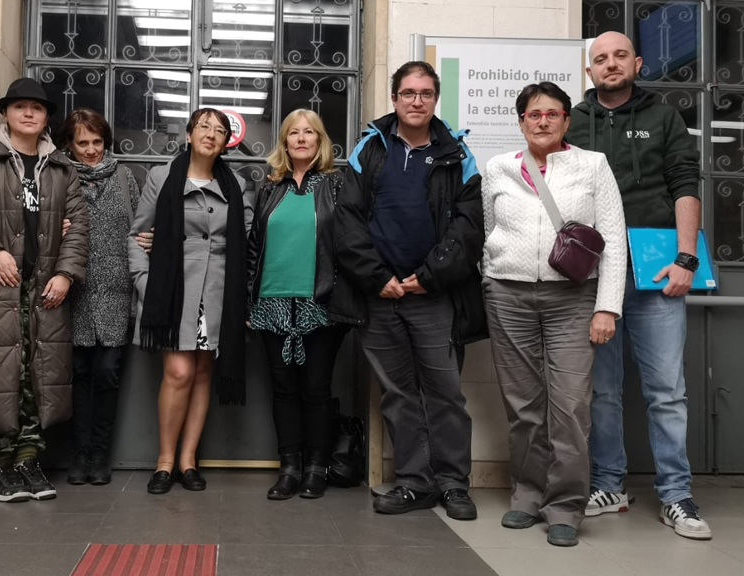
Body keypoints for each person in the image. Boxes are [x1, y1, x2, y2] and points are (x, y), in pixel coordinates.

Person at [565, 31, 711, 540]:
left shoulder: (664, 117)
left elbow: (685, 183)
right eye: (600, 59)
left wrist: (685, 259)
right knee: (602, 390)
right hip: (594, 275)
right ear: (590, 71)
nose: (610, 64)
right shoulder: (573, 121)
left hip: (654, 271)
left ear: (638, 62)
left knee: (667, 392)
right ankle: (609, 484)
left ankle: (677, 495)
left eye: (619, 56)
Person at [332, 61, 486, 520]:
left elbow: (469, 226)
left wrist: (431, 274)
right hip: (380, 296)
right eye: (407, 93)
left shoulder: (458, 154)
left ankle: (454, 485)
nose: (416, 100)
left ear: (435, 99)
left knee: (445, 394)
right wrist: (378, 278)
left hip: (434, 295)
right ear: (395, 98)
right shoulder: (368, 150)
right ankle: (415, 483)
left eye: (425, 93)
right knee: (398, 395)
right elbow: (347, 222)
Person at [482, 82, 627, 546]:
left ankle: (565, 505)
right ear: (521, 121)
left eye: (552, 113)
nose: (542, 121)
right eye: (533, 114)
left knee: (570, 406)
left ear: (566, 120)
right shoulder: (499, 167)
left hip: (572, 299)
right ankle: (526, 496)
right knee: (523, 407)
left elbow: (613, 237)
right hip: (508, 296)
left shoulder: (592, 165)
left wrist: (607, 306)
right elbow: (490, 229)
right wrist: (493, 274)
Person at [0, 78, 89, 503]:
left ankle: (28, 461)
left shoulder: (62, 167)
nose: (28, 113)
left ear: (46, 118)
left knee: (36, 376)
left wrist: (64, 273)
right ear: (5, 113)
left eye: (37, 108)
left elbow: (78, 227)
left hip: (43, 288)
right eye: (19, 106)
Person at [129, 108, 251, 495]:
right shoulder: (162, 176)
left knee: (202, 374)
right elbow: (137, 236)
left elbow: (247, 243)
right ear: (188, 133)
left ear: (226, 141)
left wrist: (244, 297)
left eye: (219, 130)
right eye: (204, 127)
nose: (211, 135)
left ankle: (188, 460)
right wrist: (147, 284)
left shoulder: (238, 184)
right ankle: (165, 461)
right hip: (172, 290)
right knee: (179, 372)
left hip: (218, 291)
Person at [247, 109, 348, 500]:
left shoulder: (337, 185)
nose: (302, 138)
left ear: (320, 141)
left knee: (316, 390)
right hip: (272, 301)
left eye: (309, 132)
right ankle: (288, 467)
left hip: (318, 301)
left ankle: (316, 468)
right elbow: (255, 246)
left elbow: (347, 245)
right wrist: (249, 302)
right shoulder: (270, 188)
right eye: (294, 133)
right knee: (283, 389)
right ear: (285, 142)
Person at [55, 108, 140, 486]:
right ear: (70, 145)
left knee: (107, 374)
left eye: (97, 142)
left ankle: (101, 454)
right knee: (78, 373)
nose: (90, 150)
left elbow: (140, 229)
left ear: (107, 142)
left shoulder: (125, 178)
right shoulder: (60, 179)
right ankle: (80, 453)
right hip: (73, 292)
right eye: (82, 143)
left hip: (117, 292)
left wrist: (146, 239)